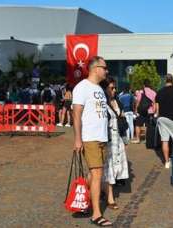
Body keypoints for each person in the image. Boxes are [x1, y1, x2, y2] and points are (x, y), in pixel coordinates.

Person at [72, 56, 112, 227]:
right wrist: (78, 139)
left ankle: (80, 196)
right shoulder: (82, 87)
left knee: (95, 174)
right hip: (90, 138)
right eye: (105, 67)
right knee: (96, 175)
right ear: (96, 68)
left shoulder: (99, 89)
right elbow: (76, 115)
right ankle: (96, 214)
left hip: (102, 137)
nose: (106, 70)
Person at [102, 77, 129, 211]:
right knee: (108, 168)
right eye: (111, 88)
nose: (114, 90)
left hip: (117, 138)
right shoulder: (102, 103)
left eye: (114, 88)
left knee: (114, 167)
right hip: (107, 139)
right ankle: (110, 197)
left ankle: (102, 190)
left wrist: (124, 138)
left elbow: (122, 118)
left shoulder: (116, 101)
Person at [155, 74, 173, 169]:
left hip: (162, 119)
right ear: (172, 80)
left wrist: (157, 115)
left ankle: (166, 162)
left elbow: (157, 108)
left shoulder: (159, 92)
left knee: (164, 140)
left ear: (165, 81)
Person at [131, 79, 156, 144]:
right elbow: (154, 103)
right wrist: (154, 111)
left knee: (138, 124)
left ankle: (138, 139)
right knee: (148, 125)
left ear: (144, 85)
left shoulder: (141, 92)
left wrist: (136, 110)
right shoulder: (153, 92)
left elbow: (138, 102)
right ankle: (147, 139)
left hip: (141, 111)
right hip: (150, 111)